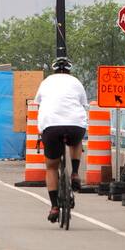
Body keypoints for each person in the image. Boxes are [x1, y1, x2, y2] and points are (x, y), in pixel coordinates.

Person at [33, 57, 89, 223]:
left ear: (54, 69)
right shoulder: (76, 82)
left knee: (51, 167)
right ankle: (75, 173)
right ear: (69, 70)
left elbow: (38, 103)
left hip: (51, 126)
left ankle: (54, 206)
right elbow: (84, 104)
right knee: (76, 141)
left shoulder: (46, 82)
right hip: (75, 125)